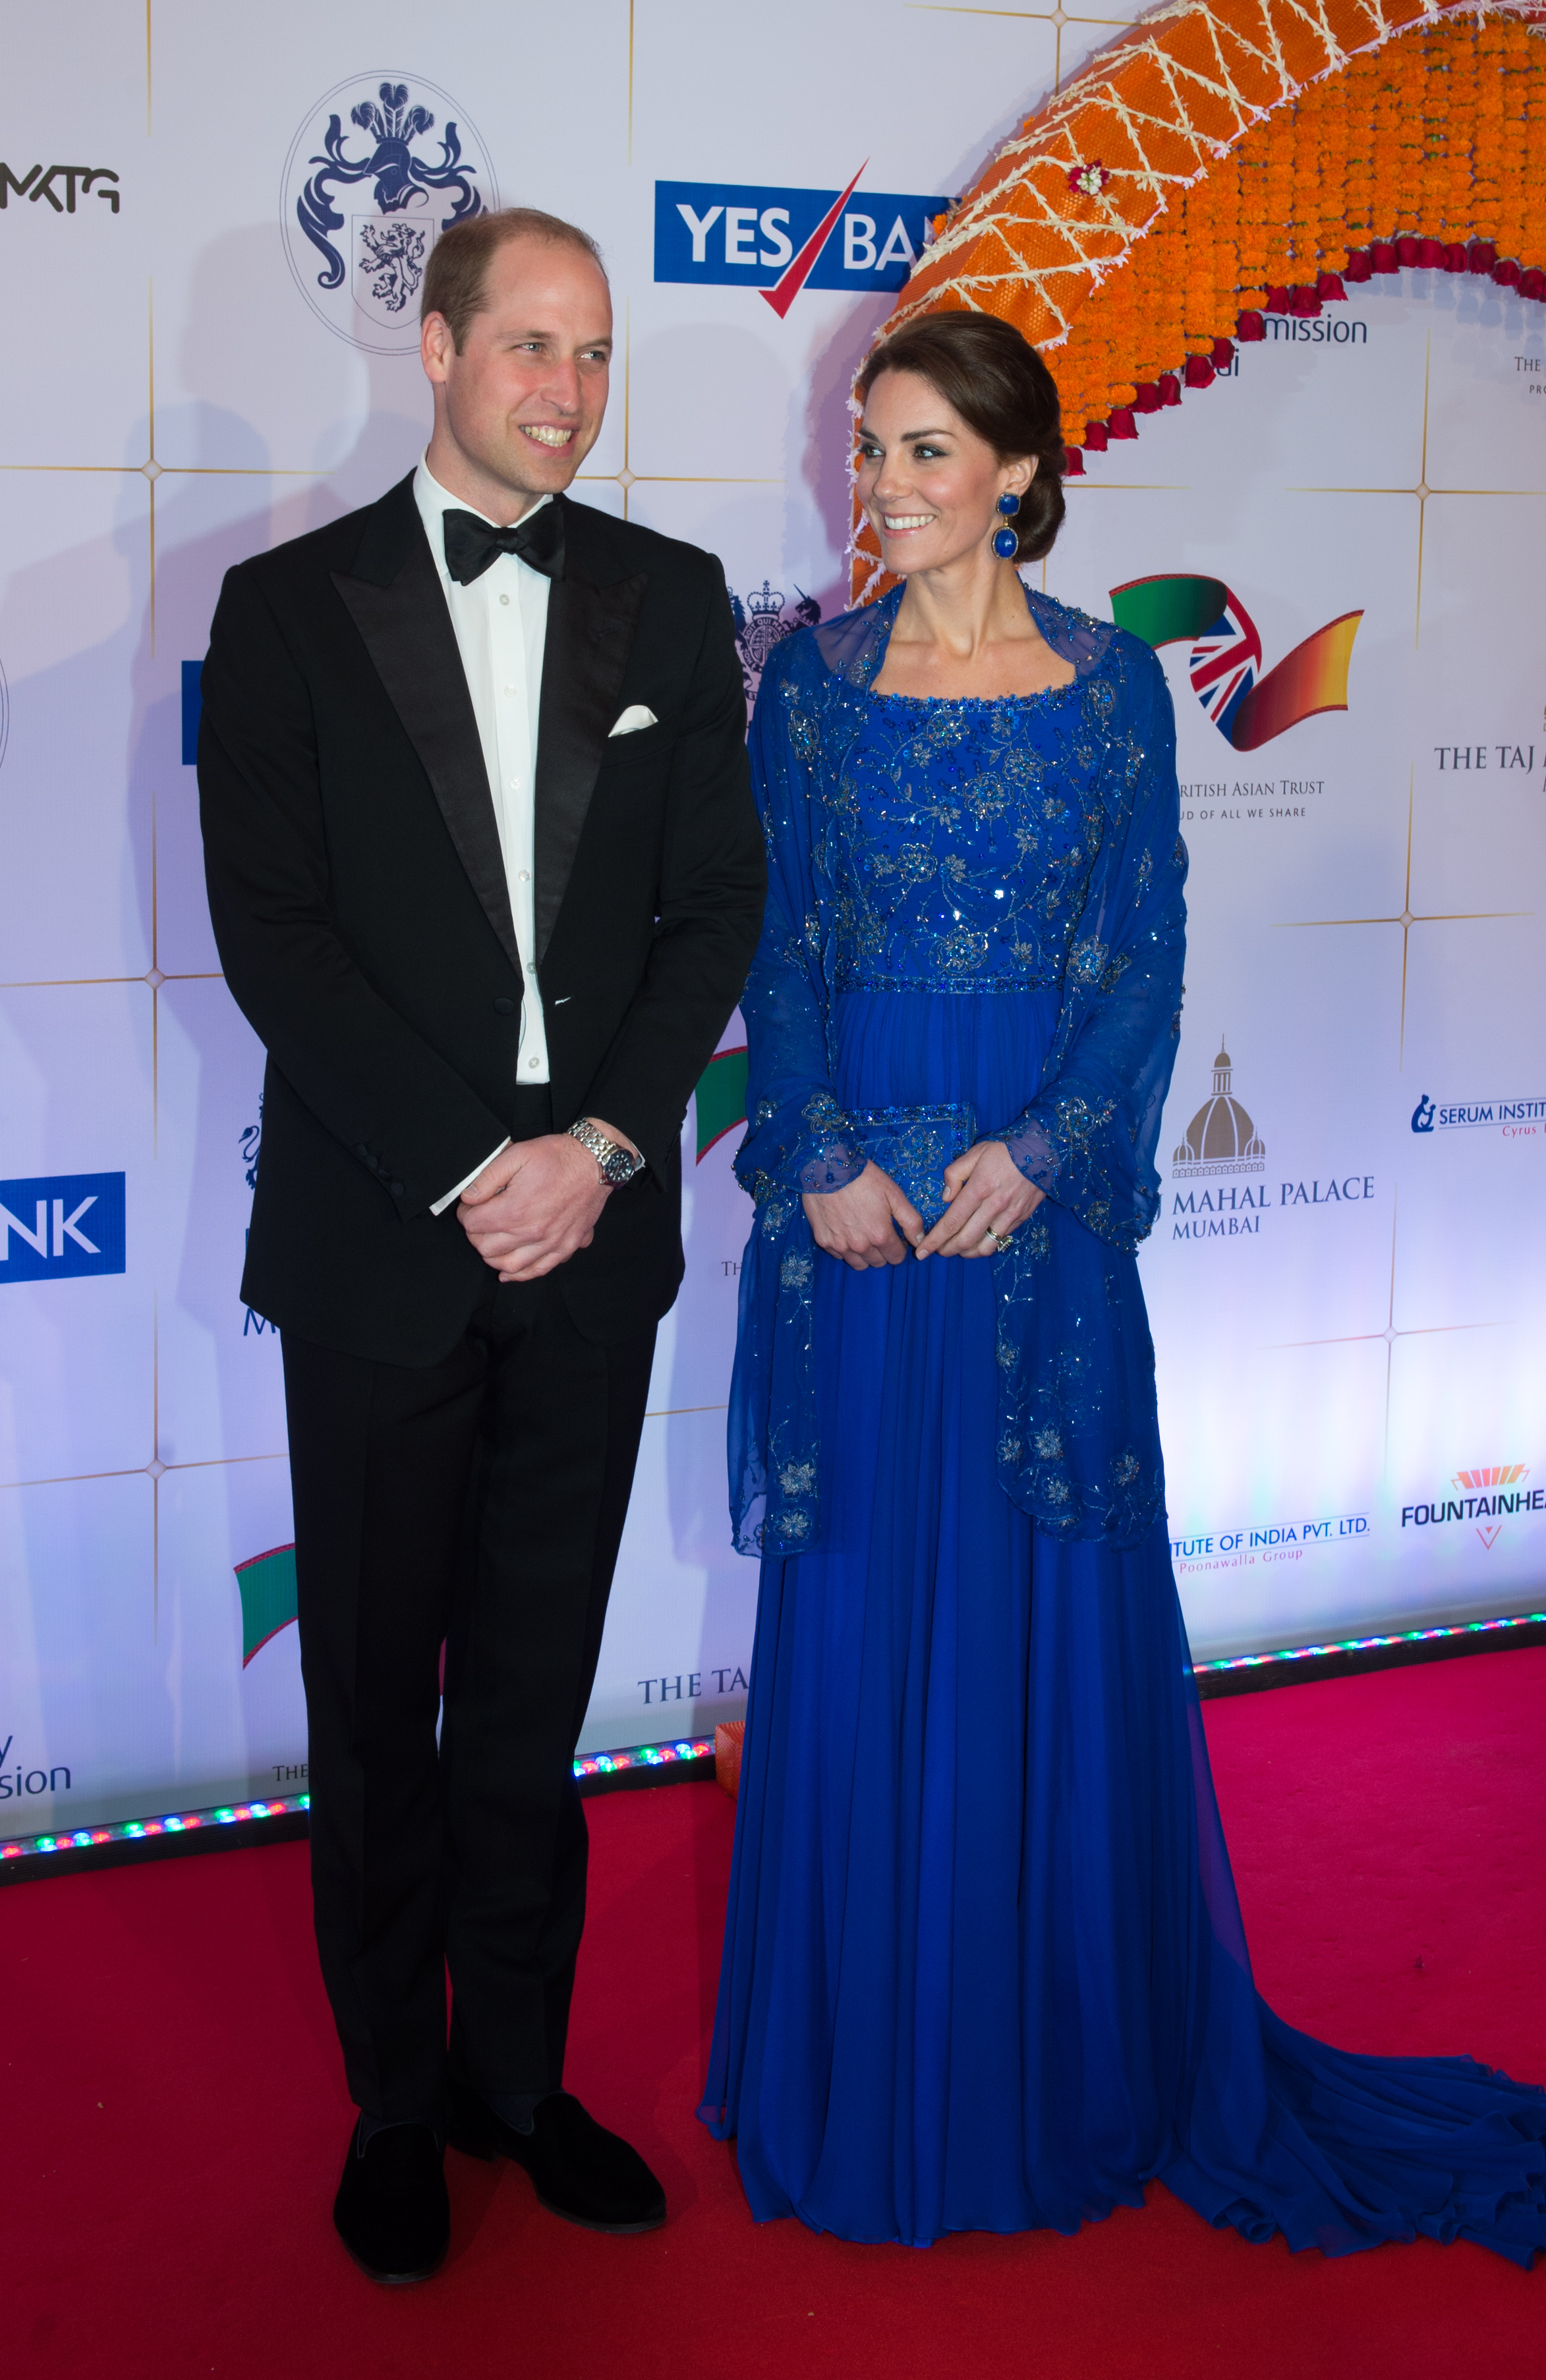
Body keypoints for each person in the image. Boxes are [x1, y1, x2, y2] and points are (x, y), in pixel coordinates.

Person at [700, 309, 1546, 2260]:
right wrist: (828, 1158)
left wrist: (1044, 1152)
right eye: (870, 453)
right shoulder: (805, 690)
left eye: (926, 453)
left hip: (1042, 1220)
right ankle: (870, 2067)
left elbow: (1144, 962)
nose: (885, 490)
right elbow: (771, 951)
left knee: (1043, 1607)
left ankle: (1061, 2057)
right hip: (860, 1235)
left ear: (1019, 473)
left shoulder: (1113, 693)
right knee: (861, 1624)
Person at [198, 208, 766, 2284]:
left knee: (532, 1693)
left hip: (596, 1241)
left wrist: (604, 1141)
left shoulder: (674, 600)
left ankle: (518, 2075)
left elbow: (715, 906)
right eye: (528, 342)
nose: (566, 385)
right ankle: (394, 2098)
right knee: (374, 1696)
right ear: (432, 348)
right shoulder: (282, 612)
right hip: (378, 1244)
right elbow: (280, 939)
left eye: (594, 351)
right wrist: (475, 1162)